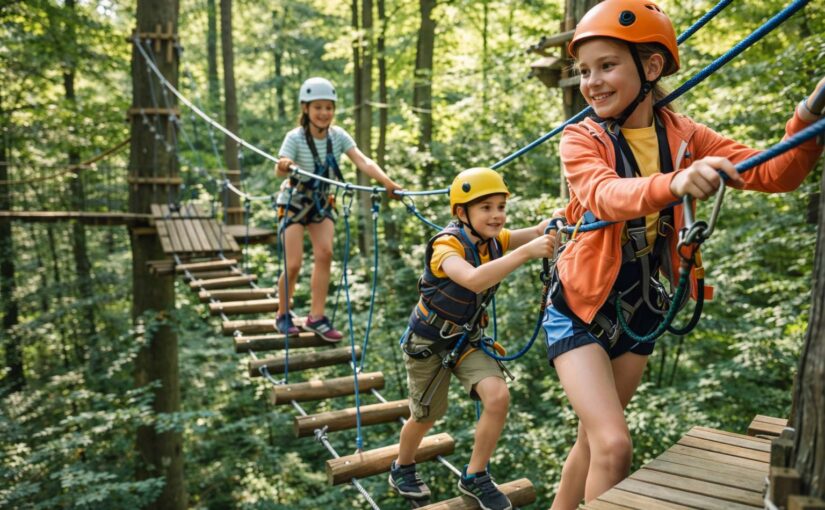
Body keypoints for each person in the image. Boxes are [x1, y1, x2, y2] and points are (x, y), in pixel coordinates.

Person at [544, 0, 825, 508]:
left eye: (608, 66)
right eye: (584, 71)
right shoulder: (580, 138)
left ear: (650, 68)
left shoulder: (684, 135)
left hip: (640, 304)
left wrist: (810, 113)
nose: (592, 82)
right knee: (614, 445)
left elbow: (775, 172)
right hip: (581, 309)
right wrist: (675, 183)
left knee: (593, 442)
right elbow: (603, 195)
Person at [388, 167, 556, 510]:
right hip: (428, 344)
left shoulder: (494, 242)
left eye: (500, 207)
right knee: (424, 416)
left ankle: (475, 476)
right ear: (461, 212)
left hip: (466, 340)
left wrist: (556, 219)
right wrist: (526, 253)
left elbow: (537, 232)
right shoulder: (446, 247)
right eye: (486, 208)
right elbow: (474, 280)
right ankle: (402, 465)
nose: (496, 216)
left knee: (497, 396)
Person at [275, 77, 402, 341]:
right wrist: (285, 164)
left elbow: (363, 161)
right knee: (294, 263)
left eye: (329, 107)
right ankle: (283, 313)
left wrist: (388, 183)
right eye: (318, 107)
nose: (324, 113)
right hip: (294, 202)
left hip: (322, 201)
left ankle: (316, 317)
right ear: (306, 109)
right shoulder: (295, 138)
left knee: (325, 253)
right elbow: (279, 169)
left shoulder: (338, 137)